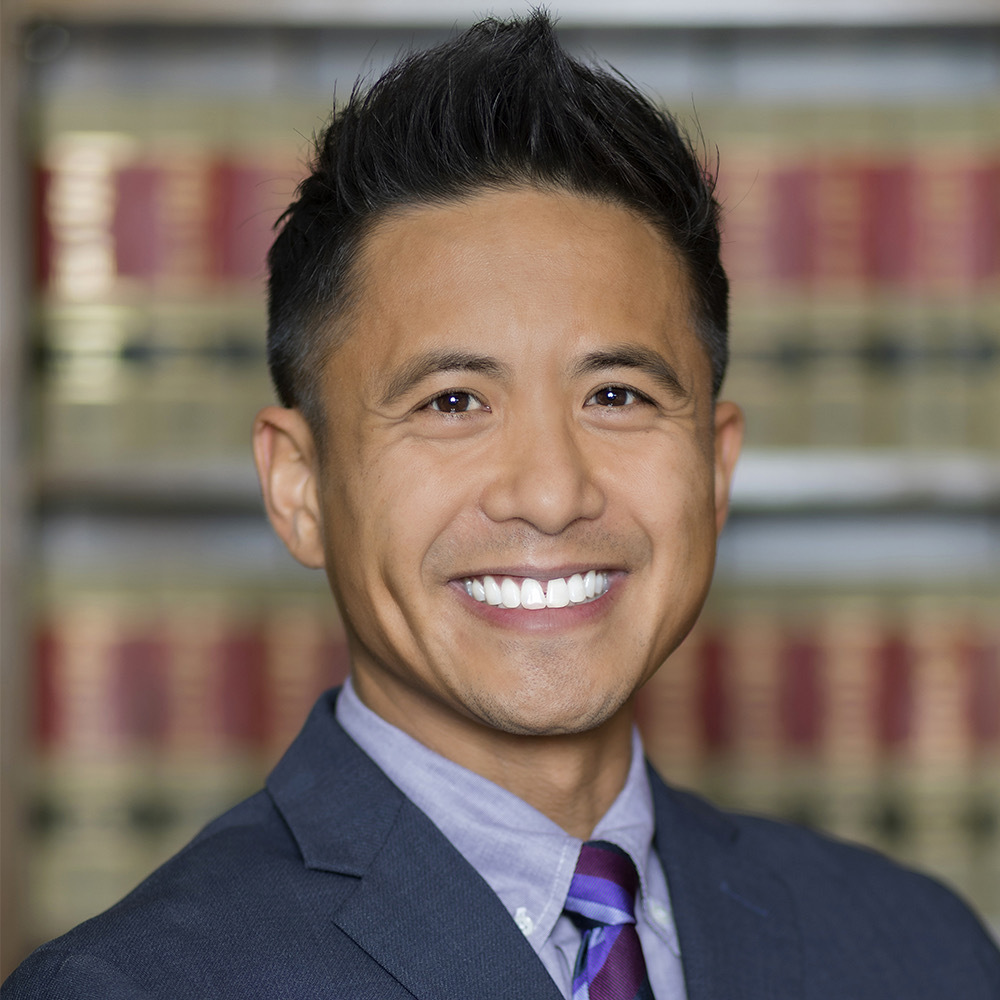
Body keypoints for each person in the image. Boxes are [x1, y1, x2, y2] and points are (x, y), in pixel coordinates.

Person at [5, 12, 999, 999]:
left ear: (716, 464)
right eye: (452, 403)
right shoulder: (135, 984)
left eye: (617, 396)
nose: (551, 492)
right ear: (298, 485)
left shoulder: (918, 951)